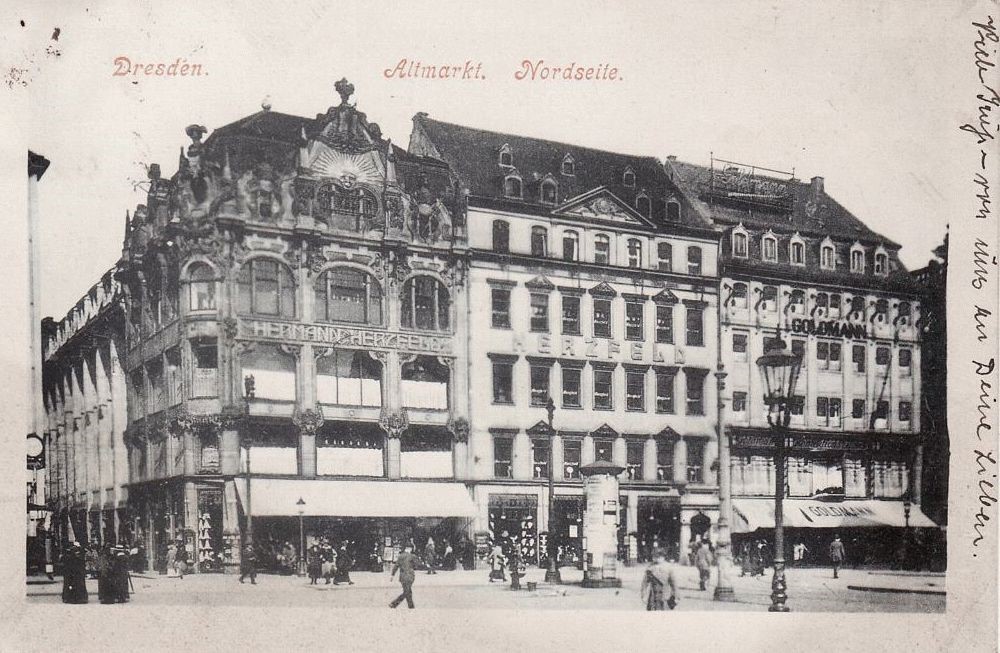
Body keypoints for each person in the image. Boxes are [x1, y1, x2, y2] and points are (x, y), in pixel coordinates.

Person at [389, 543, 418, 609]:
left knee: (407, 591)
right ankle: (394, 604)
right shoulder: (412, 556)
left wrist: (392, 575)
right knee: (407, 592)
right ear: (410, 549)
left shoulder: (400, 556)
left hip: (402, 577)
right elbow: (416, 566)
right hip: (410, 576)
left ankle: (410, 606)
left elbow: (396, 566)